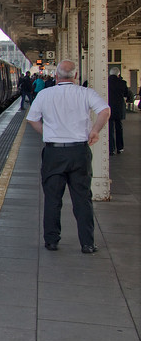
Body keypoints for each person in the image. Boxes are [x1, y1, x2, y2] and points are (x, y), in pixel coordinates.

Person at [26, 59, 110, 254]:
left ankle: (52, 241)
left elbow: (32, 119)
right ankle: (87, 243)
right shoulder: (85, 93)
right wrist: (95, 131)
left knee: (52, 198)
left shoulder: (45, 94)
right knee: (82, 198)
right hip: (79, 152)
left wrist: (47, 133)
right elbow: (105, 111)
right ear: (76, 76)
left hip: (54, 152)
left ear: (56, 77)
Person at [107, 67, 131, 154]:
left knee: (110, 129)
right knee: (119, 128)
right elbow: (127, 94)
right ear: (118, 74)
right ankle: (120, 148)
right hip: (119, 108)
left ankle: (111, 149)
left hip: (108, 108)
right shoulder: (122, 83)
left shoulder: (106, 82)